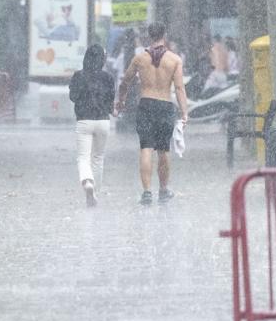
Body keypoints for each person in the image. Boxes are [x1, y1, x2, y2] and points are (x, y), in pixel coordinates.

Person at [116, 22, 188, 205]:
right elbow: (179, 88)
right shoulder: (174, 60)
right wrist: (184, 112)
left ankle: (147, 191)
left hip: (146, 104)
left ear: (149, 36)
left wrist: (121, 100)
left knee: (146, 148)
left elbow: (125, 81)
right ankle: (163, 190)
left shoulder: (140, 59)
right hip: (165, 105)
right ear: (165, 35)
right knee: (163, 150)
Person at [69, 43, 116, 208]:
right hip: (103, 121)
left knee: (83, 157)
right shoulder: (108, 78)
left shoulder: (78, 76)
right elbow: (111, 100)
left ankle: (87, 182)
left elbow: (73, 97)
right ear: (102, 59)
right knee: (98, 157)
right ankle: (95, 191)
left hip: (84, 120)